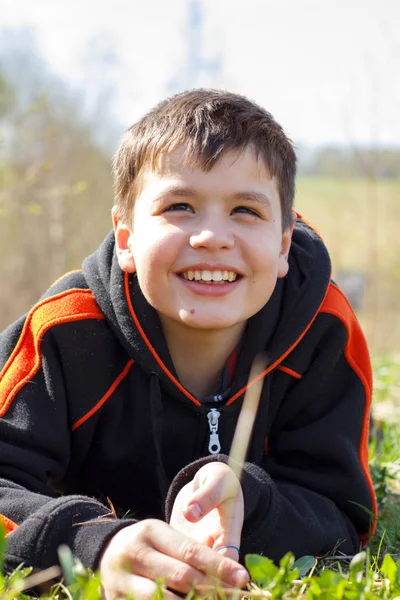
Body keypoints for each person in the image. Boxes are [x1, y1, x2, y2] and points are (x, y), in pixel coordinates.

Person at [0, 89, 377, 599]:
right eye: (180, 206)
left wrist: (253, 502)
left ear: (284, 242)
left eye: (245, 210)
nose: (211, 237)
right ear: (127, 237)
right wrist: (95, 543)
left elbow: (342, 508)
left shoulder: (322, 327)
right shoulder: (63, 332)